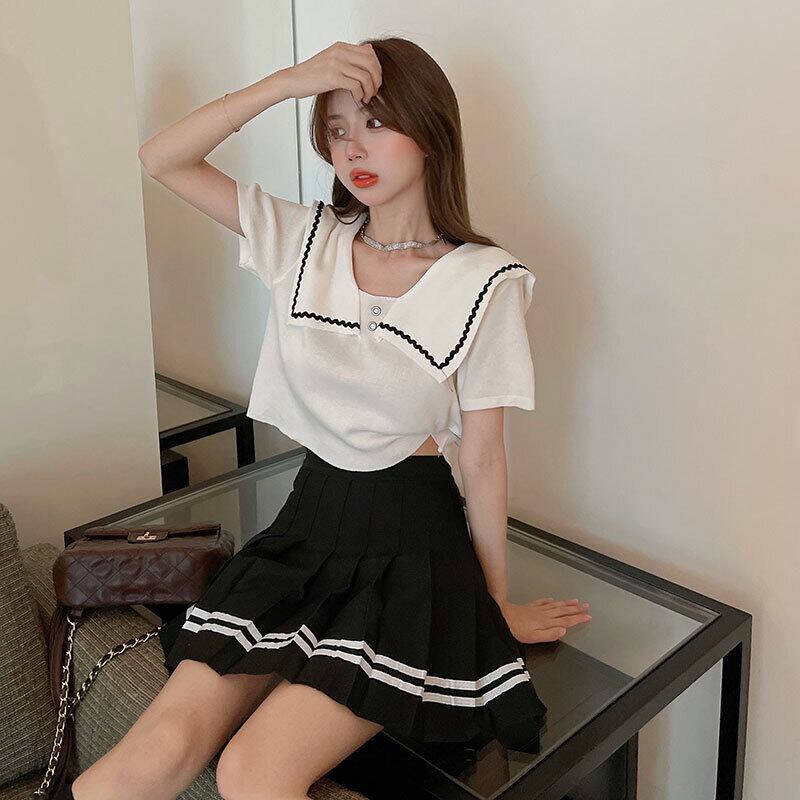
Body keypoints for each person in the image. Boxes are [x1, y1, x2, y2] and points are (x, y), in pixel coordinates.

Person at [71, 36, 591, 800]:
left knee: (253, 772)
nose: (354, 147)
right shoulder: (302, 239)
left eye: (376, 122)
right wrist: (288, 82)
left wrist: (492, 606)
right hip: (305, 529)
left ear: (431, 129)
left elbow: (483, 459)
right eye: (337, 128)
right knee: (162, 744)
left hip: (412, 552)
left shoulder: (485, 281)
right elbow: (162, 159)